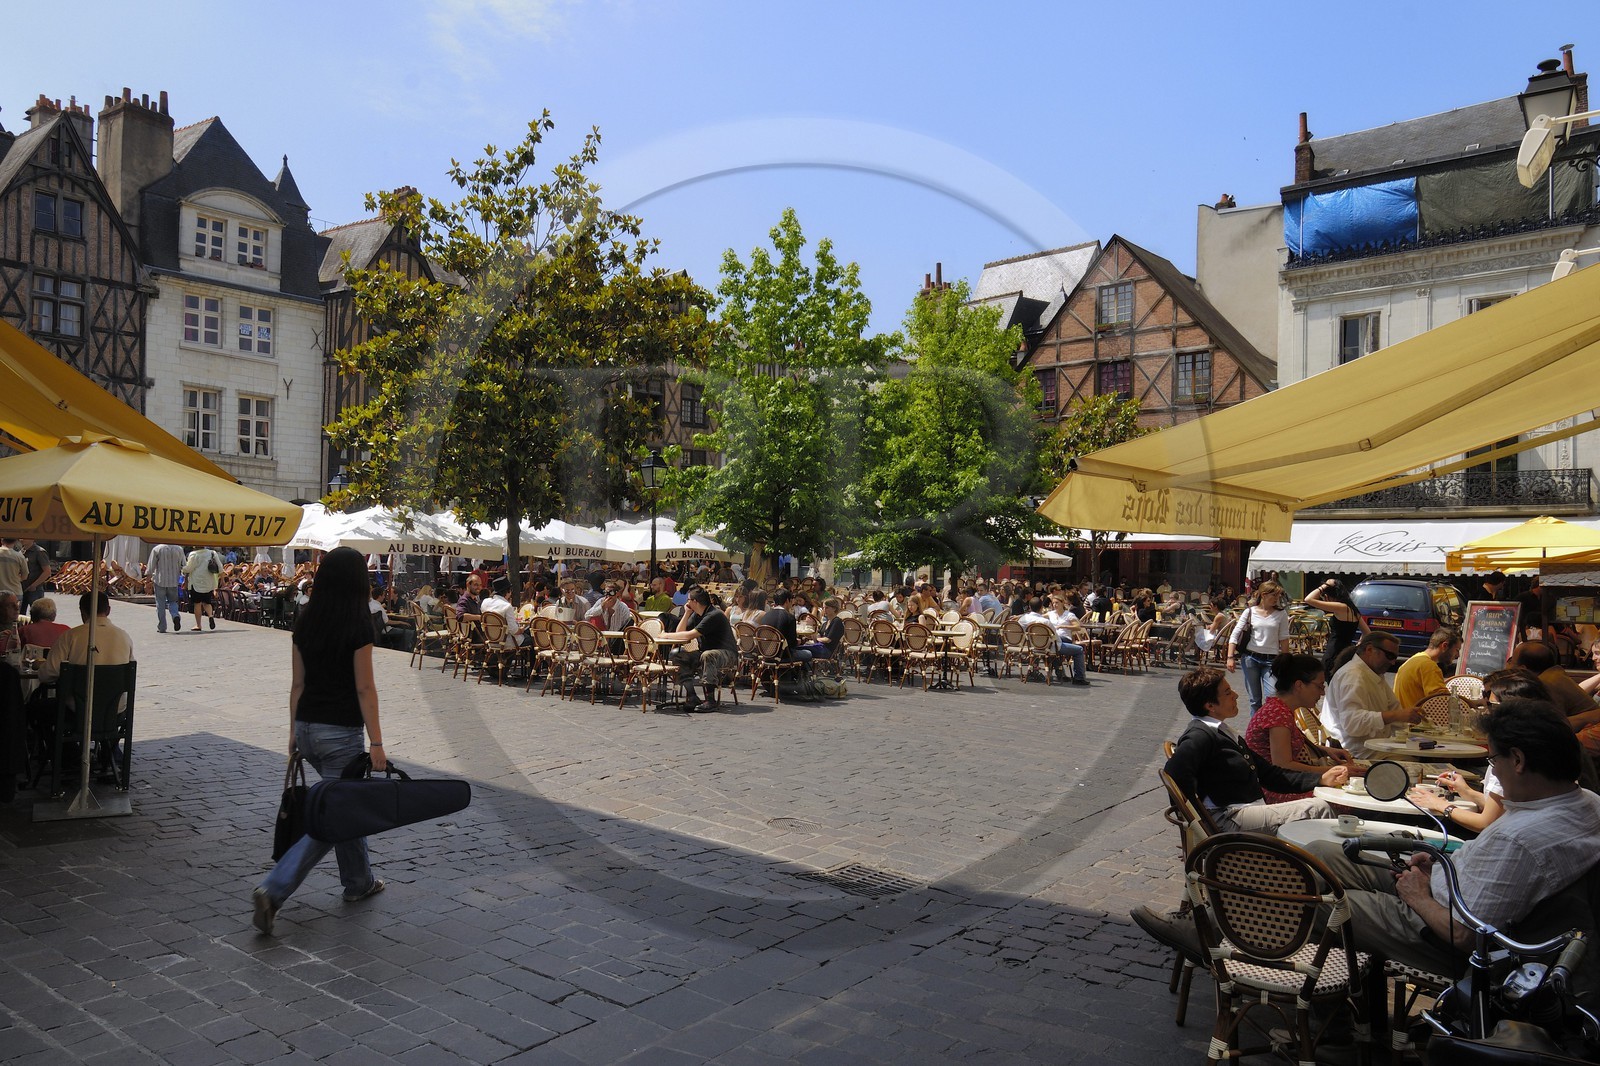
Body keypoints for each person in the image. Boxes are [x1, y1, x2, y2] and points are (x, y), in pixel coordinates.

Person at [1306, 699, 1600, 977]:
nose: (1493, 769)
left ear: (1518, 760)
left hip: (1440, 934)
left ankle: (1330, 1015)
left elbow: (1465, 936)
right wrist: (1441, 866)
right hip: (1446, 890)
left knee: (1317, 903)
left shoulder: (1520, 839)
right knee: (1317, 854)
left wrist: (1418, 896)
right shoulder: (1586, 801)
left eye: (1493, 759)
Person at [253, 547, 389, 936]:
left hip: (308, 727)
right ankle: (274, 888)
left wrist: (294, 732)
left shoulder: (305, 619)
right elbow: (365, 687)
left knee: (344, 804)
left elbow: (297, 684)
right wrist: (376, 743)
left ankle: (359, 882)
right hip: (340, 734)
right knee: (331, 816)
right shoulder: (358, 624)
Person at [1161, 667, 1347, 833]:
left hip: (1246, 811)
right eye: (1227, 693)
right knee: (1320, 809)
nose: (1235, 695)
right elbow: (1174, 774)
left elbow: (1271, 774)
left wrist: (1321, 779)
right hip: (1228, 819)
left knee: (1321, 806)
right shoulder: (1200, 735)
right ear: (1210, 706)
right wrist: (1197, 827)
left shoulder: (1223, 732)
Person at [1406, 668, 1551, 833]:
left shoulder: (1510, 754)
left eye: (1490, 703)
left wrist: (1440, 805)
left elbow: (1487, 823)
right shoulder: (1540, 741)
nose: (1484, 707)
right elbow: (1504, 808)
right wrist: (1466, 790)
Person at [1244, 653, 1358, 802]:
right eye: (1319, 686)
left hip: (1284, 785)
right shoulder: (1278, 713)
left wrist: (1326, 750)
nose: (1322, 692)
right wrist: (1332, 771)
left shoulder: (1279, 709)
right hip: (1276, 791)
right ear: (1299, 685)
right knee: (1347, 802)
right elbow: (1284, 765)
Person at [1319, 632, 1422, 758]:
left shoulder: (1373, 674)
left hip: (1374, 747)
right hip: (1357, 753)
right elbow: (1352, 723)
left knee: (1421, 753)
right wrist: (1396, 716)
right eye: (1389, 656)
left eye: (1395, 657)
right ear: (1369, 649)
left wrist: (1407, 723)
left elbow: (1395, 710)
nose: (1393, 662)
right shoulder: (1352, 676)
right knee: (1416, 765)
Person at [38, 591, 134, 685]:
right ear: (108, 610)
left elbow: (48, 673)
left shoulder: (71, 636)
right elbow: (130, 671)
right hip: (116, 700)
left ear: (82, 611)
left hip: (77, 699)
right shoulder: (124, 637)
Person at [1226, 579, 1291, 715]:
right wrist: (1230, 657)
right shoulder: (1250, 612)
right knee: (1255, 700)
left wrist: (1286, 663)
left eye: (1278, 596)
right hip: (1251, 658)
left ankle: (1269, 728)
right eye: (1274, 595)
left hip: (1271, 661)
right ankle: (1255, 733)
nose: (1276, 599)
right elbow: (1235, 634)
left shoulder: (1281, 614)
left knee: (1273, 697)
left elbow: (1284, 639)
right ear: (1264, 595)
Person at [674, 587, 738, 711]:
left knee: (708, 655)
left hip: (727, 654)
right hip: (706, 652)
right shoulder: (697, 614)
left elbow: (689, 635)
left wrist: (664, 635)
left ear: (694, 602)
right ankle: (692, 697)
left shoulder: (714, 615)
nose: (686, 603)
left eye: (688, 600)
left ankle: (710, 700)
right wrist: (687, 613)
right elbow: (680, 632)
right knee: (677, 654)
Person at [1303, 578, 1368, 676]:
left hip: (1334, 653)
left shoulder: (1340, 607)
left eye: (1324, 597)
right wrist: (1357, 645)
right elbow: (1367, 632)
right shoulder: (1353, 610)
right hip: (1348, 654)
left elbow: (1308, 599)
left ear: (1328, 595)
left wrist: (1324, 586)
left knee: (1331, 685)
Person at [1392, 627, 1460, 709]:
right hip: (1416, 720)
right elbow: (1444, 702)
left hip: (1402, 717)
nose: (1458, 655)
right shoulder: (1429, 666)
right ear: (1444, 646)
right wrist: (1474, 703)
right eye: (1457, 650)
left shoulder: (1415, 659)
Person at [144, 543, 185, 635]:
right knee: (173, 601)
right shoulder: (179, 549)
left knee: (160, 603)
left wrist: (147, 582)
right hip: (174, 581)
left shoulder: (157, 549)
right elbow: (184, 565)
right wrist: (185, 580)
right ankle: (175, 615)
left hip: (160, 580)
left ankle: (162, 626)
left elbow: (150, 567)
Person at [181, 545, 223, 631]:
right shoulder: (212, 553)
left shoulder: (193, 554)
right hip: (209, 582)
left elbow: (189, 568)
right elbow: (220, 567)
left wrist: (182, 567)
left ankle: (198, 625)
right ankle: (210, 616)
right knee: (207, 602)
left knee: (197, 603)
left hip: (196, 583)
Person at [19, 539, 51, 611]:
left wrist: (34, 585)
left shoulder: (39, 551)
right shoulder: (21, 551)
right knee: (19, 615)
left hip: (35, 590)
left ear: (32, 539)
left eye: (25, 537)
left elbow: (47, 571)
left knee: (37, 613)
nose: (21, 539)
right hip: (21, 588)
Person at [1517, 575, 1544, 640]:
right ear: (1540, 586)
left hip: (1540, 628)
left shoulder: (1543, 598)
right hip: (1525, 628)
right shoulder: (1523, 596)